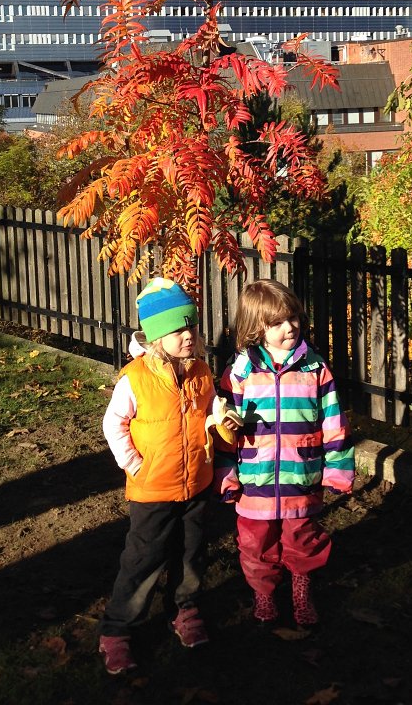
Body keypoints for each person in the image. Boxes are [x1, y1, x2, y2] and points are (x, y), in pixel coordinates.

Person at [98, 276, 239, 676]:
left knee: (191, 552)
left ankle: (185, 609)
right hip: (152, 489)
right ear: (156, 337)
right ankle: (118, 629)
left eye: (191, 325)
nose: (188, 335)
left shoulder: (201, 371)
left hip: (196, 483)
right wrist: (134, 464)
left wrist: (222, 420)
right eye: (177, 330)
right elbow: (113, 424)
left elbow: (210, 411)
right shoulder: (135, 378)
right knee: (144, 558)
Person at [216, 278, 354, 628]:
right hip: (255, 479)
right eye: (276, 322)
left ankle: (301, 589)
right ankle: (263, 593)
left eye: (292, 318)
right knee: (255, 543)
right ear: (256, 327)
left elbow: (334, 422)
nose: (289, 327)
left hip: (301, 475)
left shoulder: (314, 368)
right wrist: (226, 476)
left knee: (302, 538)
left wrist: (337, 469)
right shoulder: (240, 373)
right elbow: (223, 433)